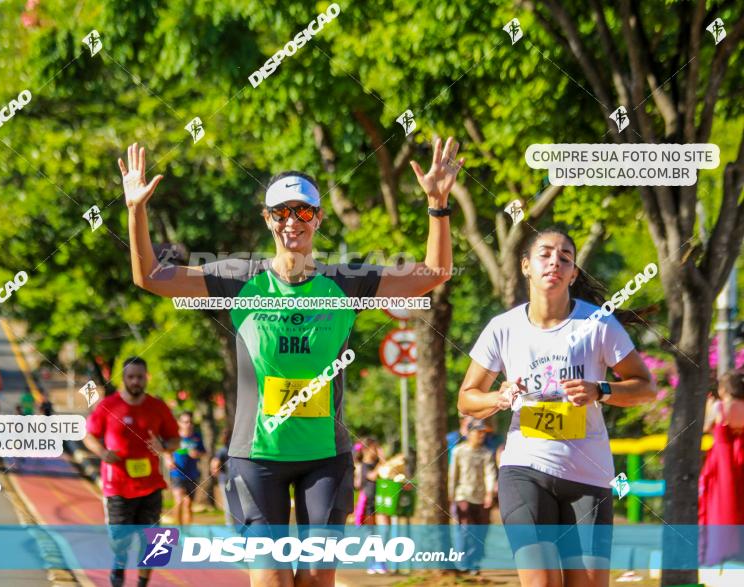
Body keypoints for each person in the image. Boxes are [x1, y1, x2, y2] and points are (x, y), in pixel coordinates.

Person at [120, 137, 462, 587]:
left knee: (319, 579)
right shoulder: (239, 279)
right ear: (267, 219)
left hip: (326, 458)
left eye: (303, 212)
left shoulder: (347, 282)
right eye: (280, 212)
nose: (291, 222)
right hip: (256, 458)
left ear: (318, 219)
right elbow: (149, 276)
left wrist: (437, 206)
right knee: (272, 581)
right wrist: (135, 210)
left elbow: (432, 274)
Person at [458, 228, 656, 587]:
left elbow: (645, 388)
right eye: (545, 254)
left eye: (565, 257)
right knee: (542, 582)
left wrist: (601, 390)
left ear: (574, 273)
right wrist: (499, 398)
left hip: (589, 475)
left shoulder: (598, 324)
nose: (555, 262)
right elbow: (467, 398)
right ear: (526, 267)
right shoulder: (502, 329)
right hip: (524, 470)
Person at [84, 357, 180, 587]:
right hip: (117, 486)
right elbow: (89, 436)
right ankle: (118, 567)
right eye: (131, 377)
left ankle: (141, 584)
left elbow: (175, 438)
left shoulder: (158, 407)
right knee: (120, 541)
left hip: (150, 485)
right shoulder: (108, 406)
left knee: (153, 542)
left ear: (146, 378)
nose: (136, 381)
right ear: (123, 379)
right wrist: (102, 453)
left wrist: (164, 447)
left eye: (140, 377)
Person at [699, 369, 744, 566]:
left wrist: (709, 405)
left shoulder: (720, 406)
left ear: (724, 388)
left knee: (720, 501)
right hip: (740, 453)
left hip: (723, 458)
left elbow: (706, 427)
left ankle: (719, 550)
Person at [449, 418, 497, 575]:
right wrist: (451, 495)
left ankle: (475, 562)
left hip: (482, 498)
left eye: (483, 432)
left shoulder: (486, 453)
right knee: (465, 530)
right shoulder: (458, 451)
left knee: (481, 531)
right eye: (478, 431)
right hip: (463, 496)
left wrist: (490, 494)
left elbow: (490, 474)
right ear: (469, 433)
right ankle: (464, 562)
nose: (481, 435)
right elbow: (453, 475)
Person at [353, 437, 388, 575]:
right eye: (375, 448)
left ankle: (381, 562)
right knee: (371, 534)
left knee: (384, 531)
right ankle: (373, 563)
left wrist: (382, 458)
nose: (377, 450)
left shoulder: (379, 464)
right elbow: (371, 477)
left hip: (380, 502)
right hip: (367, 503)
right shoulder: (362, 465)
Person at [164, 411, 205, 526]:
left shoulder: (197, 437)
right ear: (179, 423)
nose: (189, 424)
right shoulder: (175, 436)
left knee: (188, 503)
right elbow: (166, 450)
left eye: (191, 422)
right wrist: (168, 459)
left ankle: (186, 531)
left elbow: (203, 452)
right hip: (177, 473)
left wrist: (197, 454)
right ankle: (178, 528)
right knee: (179, 501)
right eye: (185, 422)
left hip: (192, 474)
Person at [210, 429, 233, 526]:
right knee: (229, 504)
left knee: (230, 503)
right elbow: (215, 463)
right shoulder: (223, 450)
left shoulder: (224, 449)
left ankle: (231, 524)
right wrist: (216, 472)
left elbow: (214, 464)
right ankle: (229, 524)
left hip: (230, 480)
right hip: (226, 480)